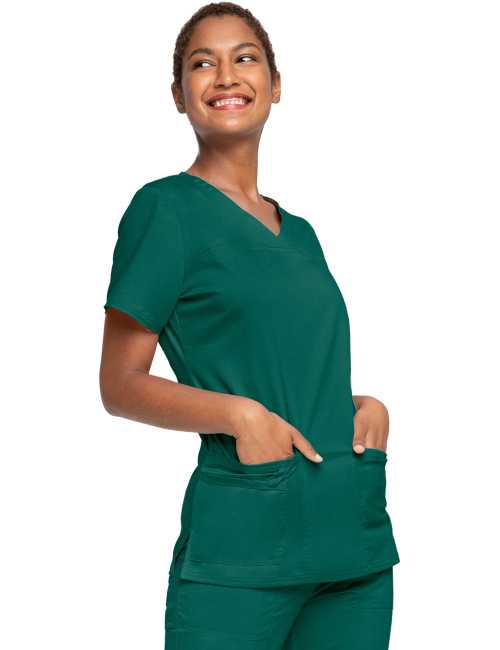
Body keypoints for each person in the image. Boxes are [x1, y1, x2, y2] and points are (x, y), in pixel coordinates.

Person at [99, 3, 400, 648]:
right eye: (202, 63)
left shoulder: (303, 233)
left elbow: (288, 364)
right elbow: (119, 385)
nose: (226, 75)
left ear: (275, 84)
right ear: (178, 95)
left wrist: (358, 406)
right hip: (246, 546)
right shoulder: (164, 210)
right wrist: (238, 416)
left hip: (352, 542)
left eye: (245, 57)